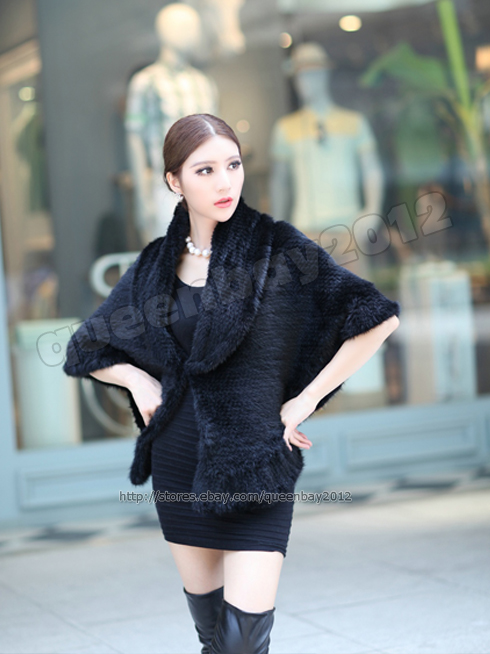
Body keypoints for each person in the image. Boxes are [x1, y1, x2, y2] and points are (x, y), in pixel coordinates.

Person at [64, 113, 400, 653]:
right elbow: (86, 345)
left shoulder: (277, 250)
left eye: (233, 165)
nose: (225, 182)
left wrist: (304, 401)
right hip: (178, 466)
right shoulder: (154, 265)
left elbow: (376, 318)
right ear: (174, 180)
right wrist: (136, 380)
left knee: (242, 644)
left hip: (256, 464)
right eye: (205, 170)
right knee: (213, 639)